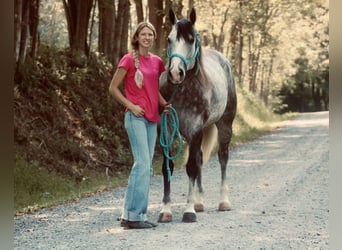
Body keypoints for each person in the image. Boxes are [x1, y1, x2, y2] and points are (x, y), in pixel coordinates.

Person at [109, 21, 168, 229]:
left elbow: (153, 89)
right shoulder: (127, 60)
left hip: (152, 118)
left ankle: (130, 214)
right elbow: (113, 88)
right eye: (143, 34)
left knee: (146, 166)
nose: (147, 37)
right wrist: (131, 106)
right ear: (136, 37)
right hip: (135, 118)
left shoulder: (157, 62)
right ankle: (135, 217)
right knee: (142, 164)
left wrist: (164, 104)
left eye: (150, 34)